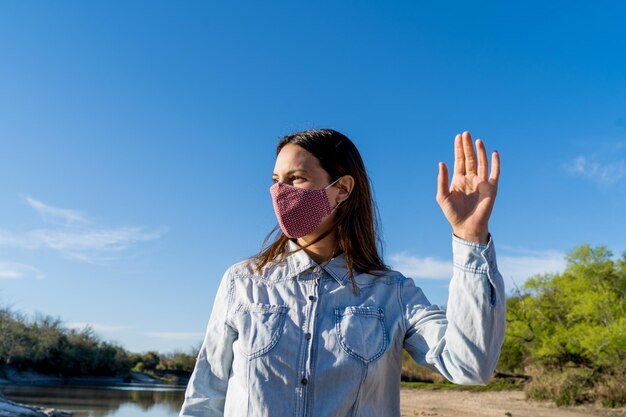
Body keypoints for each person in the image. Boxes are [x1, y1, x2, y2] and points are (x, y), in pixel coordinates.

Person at [179, 129, 505, 417]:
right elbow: (206, 397)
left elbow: (470, 366)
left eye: (296, 179)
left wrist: (470, 239)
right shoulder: (243, 282)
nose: (281, 192)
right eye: (277, 181)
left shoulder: (392, 293)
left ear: (343, 189)